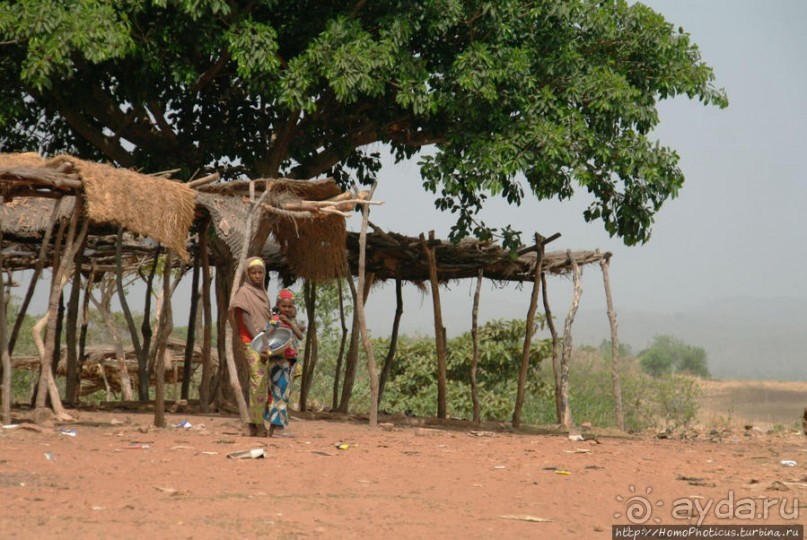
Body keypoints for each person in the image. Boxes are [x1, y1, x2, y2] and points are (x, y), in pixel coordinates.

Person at [228, 256, 272, 437]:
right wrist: (260, 341)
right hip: (252, 342)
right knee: (258, 382)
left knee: (264, 383)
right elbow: (246, 320)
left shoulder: (262, 294)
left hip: (264, 343)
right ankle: (256, 423)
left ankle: (258, 422)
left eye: (260, 272)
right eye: (253, 272)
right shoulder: (244, 293)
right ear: (247, 274)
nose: (257, 276)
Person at [263, 288, 306, 437]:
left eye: (289, 306)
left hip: (288, 362)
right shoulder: (275, 320)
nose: (286, 309)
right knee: (279, 393)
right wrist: (266, 345)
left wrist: (290, 322)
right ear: (278, 306)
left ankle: (274, 428)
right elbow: (266, 334)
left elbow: (300, 333)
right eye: (283, 306)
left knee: (281, 393)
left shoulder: (290, 321)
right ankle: (278, 428)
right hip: (278, 361)